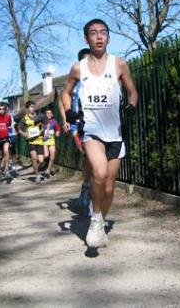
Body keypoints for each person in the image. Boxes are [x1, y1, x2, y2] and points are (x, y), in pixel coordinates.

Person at [61, 18, 138, 249]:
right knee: (100, 173)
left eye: (103, 32)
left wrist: (131, 105)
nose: (99, 36)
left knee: (110, 187)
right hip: (92, 131)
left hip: (115, 132)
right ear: (87, 39)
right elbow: (65, 93)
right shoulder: (78, 68)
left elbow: (133, 92)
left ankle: (100, 222)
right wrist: (68, 111)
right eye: (94, 33)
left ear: (108, 37)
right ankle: (95, 219)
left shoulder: (119, 64)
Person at [59, 47, 92, 214]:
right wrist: (65, 118)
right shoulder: (73, 80)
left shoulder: (100, 78)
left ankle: (89, 188)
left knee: (97, 159)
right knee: (89, 157)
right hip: (78, 125)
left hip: (96, 124)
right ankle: (87, 187)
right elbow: (61, 100)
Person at [18, 100, 45, 183]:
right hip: (31, 141)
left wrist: (42, 130)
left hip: (39, 140)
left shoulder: (39, 116)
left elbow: (44, 125)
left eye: (34, 107)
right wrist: (25, 134)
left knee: (41, 160)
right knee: (34, 158)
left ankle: (35, 167)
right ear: (27, 108)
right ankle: (37, 175)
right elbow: (19, 129)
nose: (33, 108)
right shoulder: (25, 119)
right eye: (31, 107)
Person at [42, 108, 61, 178]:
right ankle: (42, 163)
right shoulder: (42, 122)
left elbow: (58, 129)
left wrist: (57, 132)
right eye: (47, 113)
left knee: (52, 155)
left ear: (52, 114)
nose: (49, 114)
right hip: (44, 141)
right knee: (46, 155)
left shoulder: (54, 122)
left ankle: (48, 170)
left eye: (50, 113)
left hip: (51, 141)